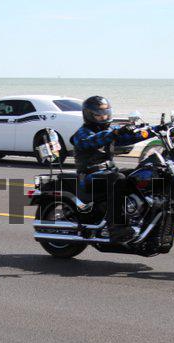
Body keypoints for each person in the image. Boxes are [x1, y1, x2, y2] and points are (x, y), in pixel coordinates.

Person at [70, 96, 148, 242]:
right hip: (89, 175)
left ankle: (139, 215)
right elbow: (93, 141)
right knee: (118, 179)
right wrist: (115, 132)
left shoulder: (108, 131)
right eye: (99, 114)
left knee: (140, 173)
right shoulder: (82, 133)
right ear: (89, 114)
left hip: (108, 172)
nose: (103, 117)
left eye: (105, 114)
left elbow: (131, 137)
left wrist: (158, 129)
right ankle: (116, 227)